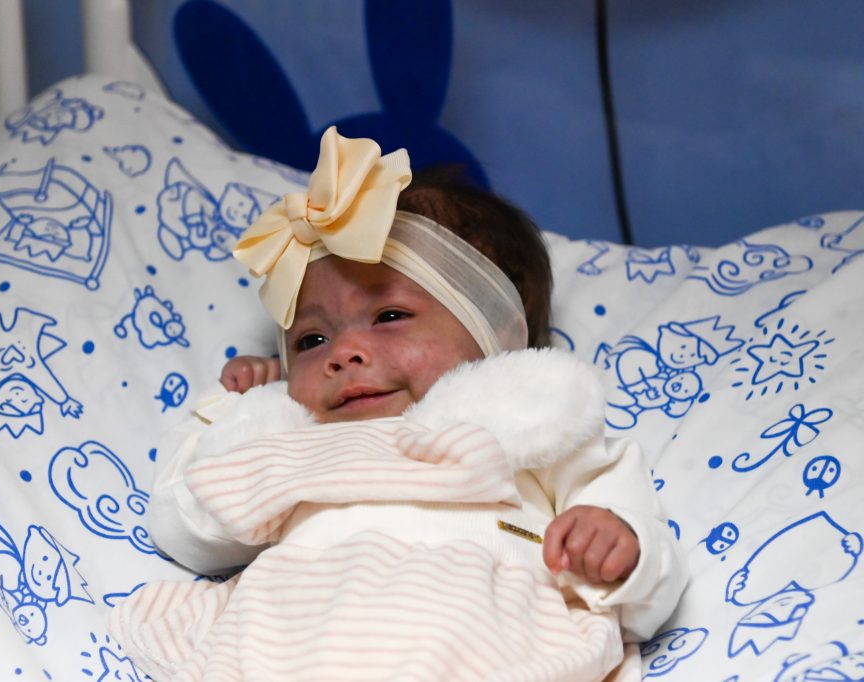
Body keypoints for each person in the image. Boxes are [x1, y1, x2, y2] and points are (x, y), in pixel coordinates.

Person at [108, 127, 687, 681]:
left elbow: (643, 562)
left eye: (388, 316)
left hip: (487, 630)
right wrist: (238, 412)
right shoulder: (298, 435)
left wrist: (620, 546)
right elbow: (185, 527)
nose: (343, 354)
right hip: (292, 633)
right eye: (310, 340)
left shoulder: (531, 418)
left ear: (495, 329)